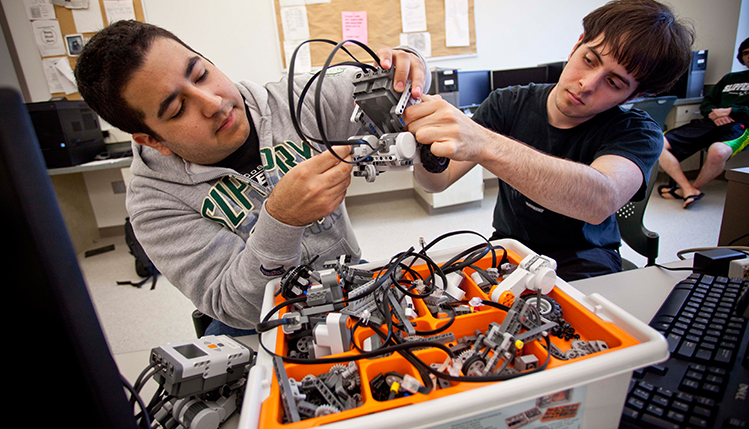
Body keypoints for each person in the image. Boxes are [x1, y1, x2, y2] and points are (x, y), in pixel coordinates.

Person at [74, 20, 429, 334]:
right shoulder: (154, 203)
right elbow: (235, 305)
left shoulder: (294, 101)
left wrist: (408, 64)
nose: (213, 103)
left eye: (201, 74)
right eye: (178, 108)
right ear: (152, 140)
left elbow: (385, 79)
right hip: (255, 321)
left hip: (346, 278)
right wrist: (282, 220)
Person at [405, 0, 694, 282]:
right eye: (589, 60)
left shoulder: (637, 132)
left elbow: (599, 201)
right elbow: (437, 182)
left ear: (634, 96)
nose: (588, 84)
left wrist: (486, 143)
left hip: (585, 257)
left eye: (614, 83)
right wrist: (417, 135)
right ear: (576, 45)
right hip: (510, 248)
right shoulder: (508, 103)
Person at [658, 38, 749, 209]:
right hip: (711, 122)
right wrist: (714, 114)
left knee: (717, 152)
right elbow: (708, 102)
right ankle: (687, 189)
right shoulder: (730, 78)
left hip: (741, 126)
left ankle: (693, 189)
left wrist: (730, 111)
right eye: (746, 53)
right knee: (657, 143)